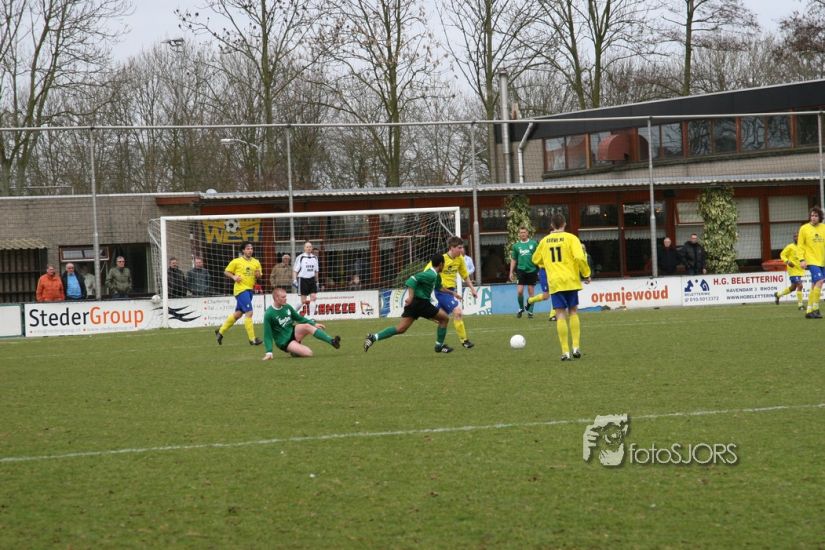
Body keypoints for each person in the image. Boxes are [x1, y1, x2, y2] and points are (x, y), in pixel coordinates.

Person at [364, 253, 456, 353]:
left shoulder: (436, 276)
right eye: (444, 264)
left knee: (400, 329)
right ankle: (439, 346)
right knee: (445, 319)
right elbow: (412, 279)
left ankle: (373, 337)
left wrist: (453, 293)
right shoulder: (430, 274)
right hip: (421, 303)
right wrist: (410, 297)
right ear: (441, 264)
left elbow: (439, 287)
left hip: (417, 305)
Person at [531, 213, 592, 361]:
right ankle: (576, 347)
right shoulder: (571, 238)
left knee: (560, 315)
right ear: (564, 224)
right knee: (573, 312)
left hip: (555, 282)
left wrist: (549, 264)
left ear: (552, 225)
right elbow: (579, 257)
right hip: (571, 280)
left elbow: (535, 259)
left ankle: (565, 352)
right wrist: (586, 273)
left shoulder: (544, 241)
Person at [426, 236, 478, 349]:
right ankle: (465, 341)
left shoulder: (460, 259)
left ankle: (439, 345)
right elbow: (426, 271)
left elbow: (465, 276)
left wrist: (473, 289)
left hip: (450, 291)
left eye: (462, 247)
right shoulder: (441, 259)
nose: (462, 250)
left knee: (441, 318)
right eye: (459, 248)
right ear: (451, 248)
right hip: (441, 291)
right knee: (457, 312)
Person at [262, 287, 341, 359]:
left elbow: (299, 318)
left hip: (292, 331)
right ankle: (294, 351)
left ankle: (332, 341)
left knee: (307, 326)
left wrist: (313, 324)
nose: (286, 299)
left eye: (286, 297)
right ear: (276, 298)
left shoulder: (287, 307)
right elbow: (267, 335)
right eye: (283, 297)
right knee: (309, 353)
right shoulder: (269, 314)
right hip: (284, 341)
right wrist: (269, 352)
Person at [215, 241, 263, 345]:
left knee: (238, 314)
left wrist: (258, 275)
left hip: (250, 290)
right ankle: (252, 339)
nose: (250, 250)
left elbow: (259, 276)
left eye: (251, 248)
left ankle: (220, 332)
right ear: (243, 250)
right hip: (240, 290)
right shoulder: (236, 261)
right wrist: (234, 277)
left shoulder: (256, 262)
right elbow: (226, 271)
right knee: (249, 312)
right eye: (248, 249)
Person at [797, 206, 825, 318]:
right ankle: (816, 308)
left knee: (815, 284)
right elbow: (800, 246)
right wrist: (801, 259)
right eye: (812, 215)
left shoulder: (823, 228)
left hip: (822, 260)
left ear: (820, 217)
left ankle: (809, 311)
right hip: (811, 260)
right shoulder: (804, 228)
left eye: (816, 216)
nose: (813, 217)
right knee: (820, 281)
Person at [509, 226, 538, 319]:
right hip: (521, 270)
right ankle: (521, 308)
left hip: (532, 270)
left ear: (527, 233)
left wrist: (539, 268)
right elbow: (514, 259)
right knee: (520, 291)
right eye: (521, 233)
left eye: (524, 232)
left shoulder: (533, 244)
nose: (523, 234)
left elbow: (538, 256)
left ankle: (530, 311)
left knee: (531, 292)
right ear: (519, 234)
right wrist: (511, 272)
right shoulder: (516, 246)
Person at [774, 233, 805, 310]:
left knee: (793, 287)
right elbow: (782, 254)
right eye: (794, 236)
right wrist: (787, 261)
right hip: (792, 270)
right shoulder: (790, 246)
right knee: (800, 285)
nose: (796, 238)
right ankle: (800, 305)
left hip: (800, 270)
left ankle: (778, 294)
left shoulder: (803, 247)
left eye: (797, 236)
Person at [293, 241, 319, 313]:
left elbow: (316, 271)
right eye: (307, 247)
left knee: (313, 298)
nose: (309, 248)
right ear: (304, 248)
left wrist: (317, 282)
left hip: (312, 279)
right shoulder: (300, 257)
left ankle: (311, 317)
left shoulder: (315, 258)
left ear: (312, 248)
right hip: (303, 280)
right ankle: (292, 313)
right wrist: (294, 280)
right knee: (303, 301)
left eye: (310, 247)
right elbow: (295, 270)